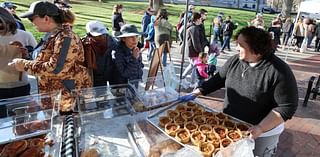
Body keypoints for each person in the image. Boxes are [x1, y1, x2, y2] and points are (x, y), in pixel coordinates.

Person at [179, 26, 298, 157]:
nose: (236, 48)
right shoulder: (236, 60)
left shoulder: (279, 72)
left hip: (261, 133)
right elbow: (219, 79)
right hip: (230, 125)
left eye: (240, 45)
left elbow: (287, 107)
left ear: (256, 50)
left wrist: (260, 128)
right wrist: (198, 91)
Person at [9, 1, 92, 112]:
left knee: (69, 128)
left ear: (47, 18)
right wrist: (26, 55)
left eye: (32, 19)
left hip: (67, 101)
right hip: (56, 99)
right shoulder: (54, 36)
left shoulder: (65, 37)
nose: (32, 23)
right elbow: (45, 61)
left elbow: (56, 69)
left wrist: (23, 65)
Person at [0, 7, 37, 99]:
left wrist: (26, 54)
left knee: (21, 112)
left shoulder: (25, 35)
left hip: (21, 85)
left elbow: (37, 58)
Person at [83, 20, 117, 87]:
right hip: (95, 79)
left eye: (103, 33)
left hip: (112, 76)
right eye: (98, 35)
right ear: (90, 35)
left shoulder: (113, 42)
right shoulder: (85, 45)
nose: (102, 36)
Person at [181, 12, 202, 88]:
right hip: (193, 51)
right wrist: (200, 51)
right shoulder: (194, 28)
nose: (201, 21)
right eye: (200, 19)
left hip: (190, 50)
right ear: (197, 19)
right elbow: (195, 42)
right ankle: (191, 82)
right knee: (194, 66)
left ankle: (183, 78)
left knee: (192, 65)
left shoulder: (189, 26)